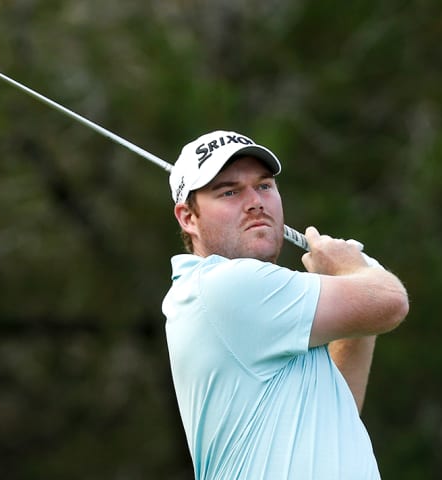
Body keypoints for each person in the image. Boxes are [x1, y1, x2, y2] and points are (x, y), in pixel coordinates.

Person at [162, 130, 410, 479]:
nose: (255, 202)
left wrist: (353, 288)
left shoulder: (269, 314)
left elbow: (334, 409)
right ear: (188, 218)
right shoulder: (223, 286)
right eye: (230, 191)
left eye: (263, 186)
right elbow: (391, 301)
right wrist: (352, 268)